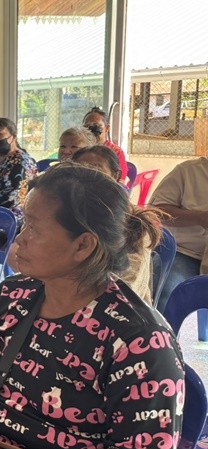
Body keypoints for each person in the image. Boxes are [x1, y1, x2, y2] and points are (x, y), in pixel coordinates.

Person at [0, 163, 184, 449]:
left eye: (33, 228)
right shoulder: (12, 294)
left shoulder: (140, 342)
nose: (20, 239)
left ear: (83, 246)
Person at [72, 146, 163, 304]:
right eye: (79, 170)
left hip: (118, 310)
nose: (87, 177)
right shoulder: (67, 215)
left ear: (116, 176)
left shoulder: (134, 225)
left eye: (96, 170)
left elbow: (127, 288)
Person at [150, 156, 208, 312]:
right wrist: (199, 217)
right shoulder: (187, 171)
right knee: (167, 298)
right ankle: (159, 329)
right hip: (186, 253)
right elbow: (156, 211)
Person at [83, 106, 128, 181]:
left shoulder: (116, 151)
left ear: (107, 128)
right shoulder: (80, 149)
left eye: (96, 125)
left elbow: (121, 180)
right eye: (86, 126)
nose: (90, 129)